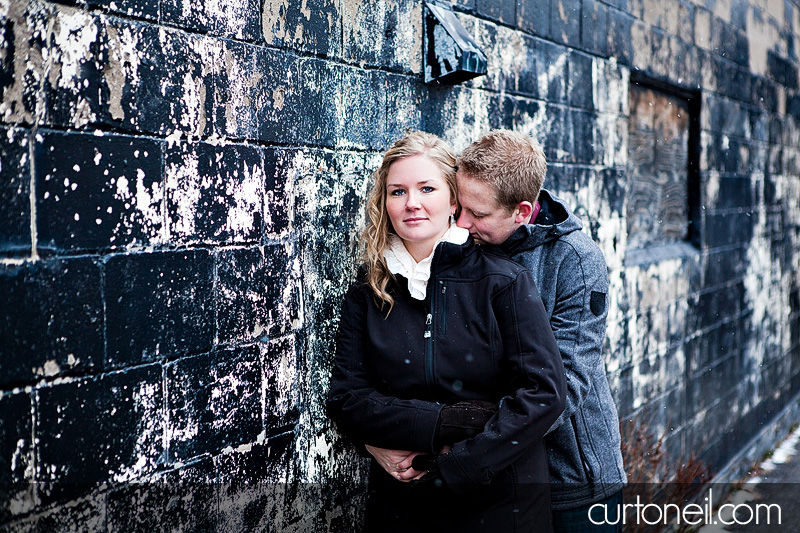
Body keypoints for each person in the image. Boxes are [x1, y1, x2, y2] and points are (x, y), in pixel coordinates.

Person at [327, 131, 566, 533]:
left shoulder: (503, 282)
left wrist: (459, 465)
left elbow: (544, 394)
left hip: (501, 503)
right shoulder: (368, 290)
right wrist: (442, 423)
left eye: (427, 188)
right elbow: (348, 399)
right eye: (397, 191)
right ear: (384, 204)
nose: (412, 203)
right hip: (403, 504)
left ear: (454, 200)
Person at [455, 129, 627, 531]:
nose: (462, 224)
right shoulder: (465, 244)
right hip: (495, 475)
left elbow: (564, 386)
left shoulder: (575, 261)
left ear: (522, 211)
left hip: (574, 482)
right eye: (458, 208)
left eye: (477, 215)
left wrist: (467, 441)